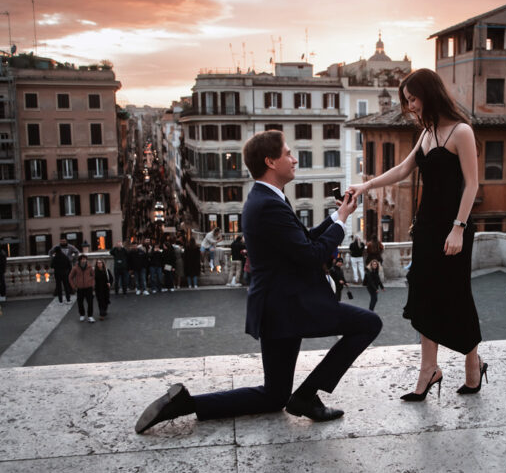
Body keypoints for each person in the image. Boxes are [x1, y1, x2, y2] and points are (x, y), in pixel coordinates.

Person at [135, 130, 381, 432]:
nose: (294, 159)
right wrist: (342, 222)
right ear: (270, 161)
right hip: (292, 306)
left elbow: (300, 241)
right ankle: (306, 396)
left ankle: (187, 404)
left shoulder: (264, 198)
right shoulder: (269, 204)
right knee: (369, 323)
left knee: (273, 395)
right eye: (288, 153)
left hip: (276, 309)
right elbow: (310, 255)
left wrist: (336, 217)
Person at [347, 67, 484, 401]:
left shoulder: (461, 131)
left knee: (456, 295)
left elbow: (472, 184)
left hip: (453, 229)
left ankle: (472, 363)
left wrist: (458, 229)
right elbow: (403, 169)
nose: (410, 106)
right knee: (422, 294)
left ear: (430, 93)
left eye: (413, 98)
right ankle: (429, 369)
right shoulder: (427, 133)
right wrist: (366, 185)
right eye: (406, 101)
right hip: (425, 227)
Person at [69, 254, 96, 322]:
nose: (83, 260)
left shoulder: (90, 267)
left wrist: (92, 284)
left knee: (90, 302)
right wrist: (74, 286)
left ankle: (90, 316)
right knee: (80, 302)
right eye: (82, 259)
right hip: (80, 288)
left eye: (85, 259)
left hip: (88, 287)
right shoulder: (75, 268)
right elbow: (70, 277)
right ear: (80, 260)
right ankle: (82, 315)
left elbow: (94, 276)